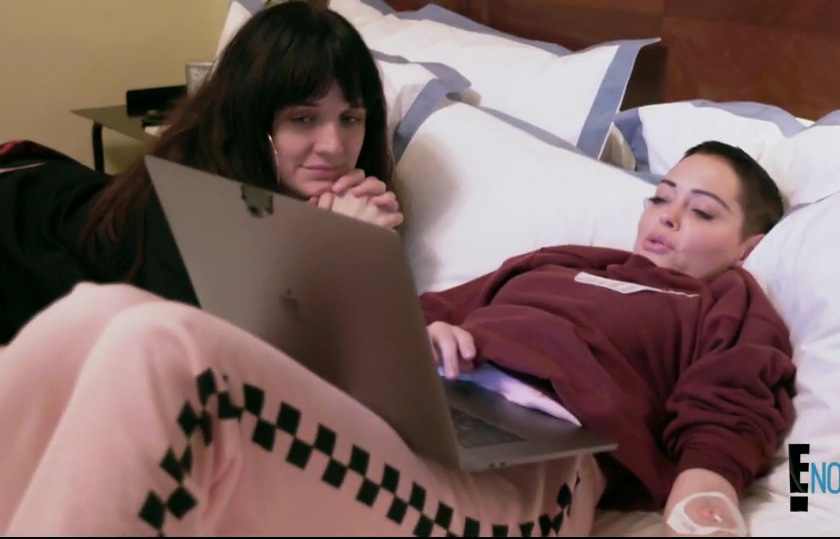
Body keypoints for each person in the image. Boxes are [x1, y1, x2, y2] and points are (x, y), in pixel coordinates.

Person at [0, 140, 797, 537]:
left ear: (749, 245)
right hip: (423, 408)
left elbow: (733, 397)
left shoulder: (724, 301)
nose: (668, 219)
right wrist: (431, 327)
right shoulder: (559, 261)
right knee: (99, 313)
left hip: (537, 471)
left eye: (701, 212)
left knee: (164, 350)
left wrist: (704, 492)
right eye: (662, 197)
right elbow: (412, 308)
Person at [0, 0, 402, 345]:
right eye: (302, 118)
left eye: (350, 118)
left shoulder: (347, 201)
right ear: (251, 120)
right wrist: (337, 252)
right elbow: (235, 368)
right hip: (18, 225)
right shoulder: (192, 211)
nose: (334, 146)